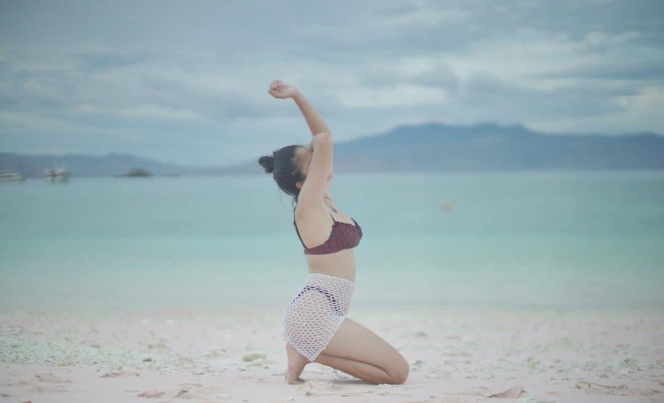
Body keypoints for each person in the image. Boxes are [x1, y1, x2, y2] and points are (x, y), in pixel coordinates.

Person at [257, 80, 409, 385]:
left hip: (327, 310)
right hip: (312, 314)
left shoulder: (325, 199)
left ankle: (303, 351)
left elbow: (323, 142)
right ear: (302, 182)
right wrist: (297, 96)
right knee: (397, 374)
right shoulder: (308, 208)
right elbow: (324, 139)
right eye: (312, 162)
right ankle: (305, 349)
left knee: (393, 373)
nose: (322, 161)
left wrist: (300, 96)